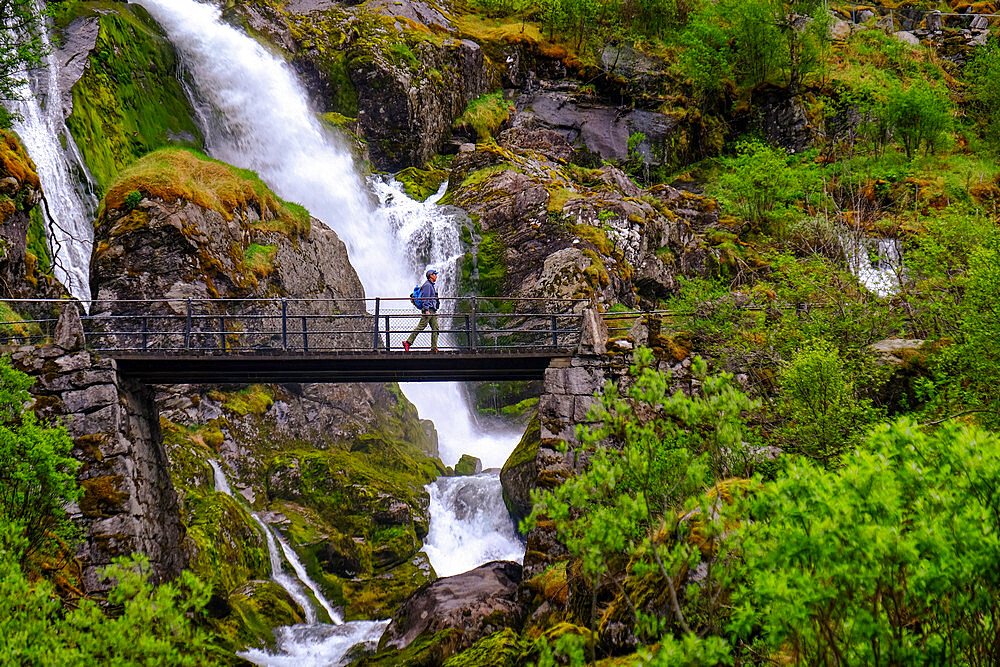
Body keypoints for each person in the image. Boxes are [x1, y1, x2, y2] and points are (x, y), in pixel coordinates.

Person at [404, 269, 439, 351]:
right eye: (435, 274)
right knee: (421, 326)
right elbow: (425, 298)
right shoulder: (427, 285)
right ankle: (408, 342)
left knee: (436, 328)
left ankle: (434, 347)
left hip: (432, 310)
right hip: (428, 309)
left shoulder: (431, 285)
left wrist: (435, 311)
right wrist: (426, 310)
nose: (436, 276)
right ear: (431, 275)